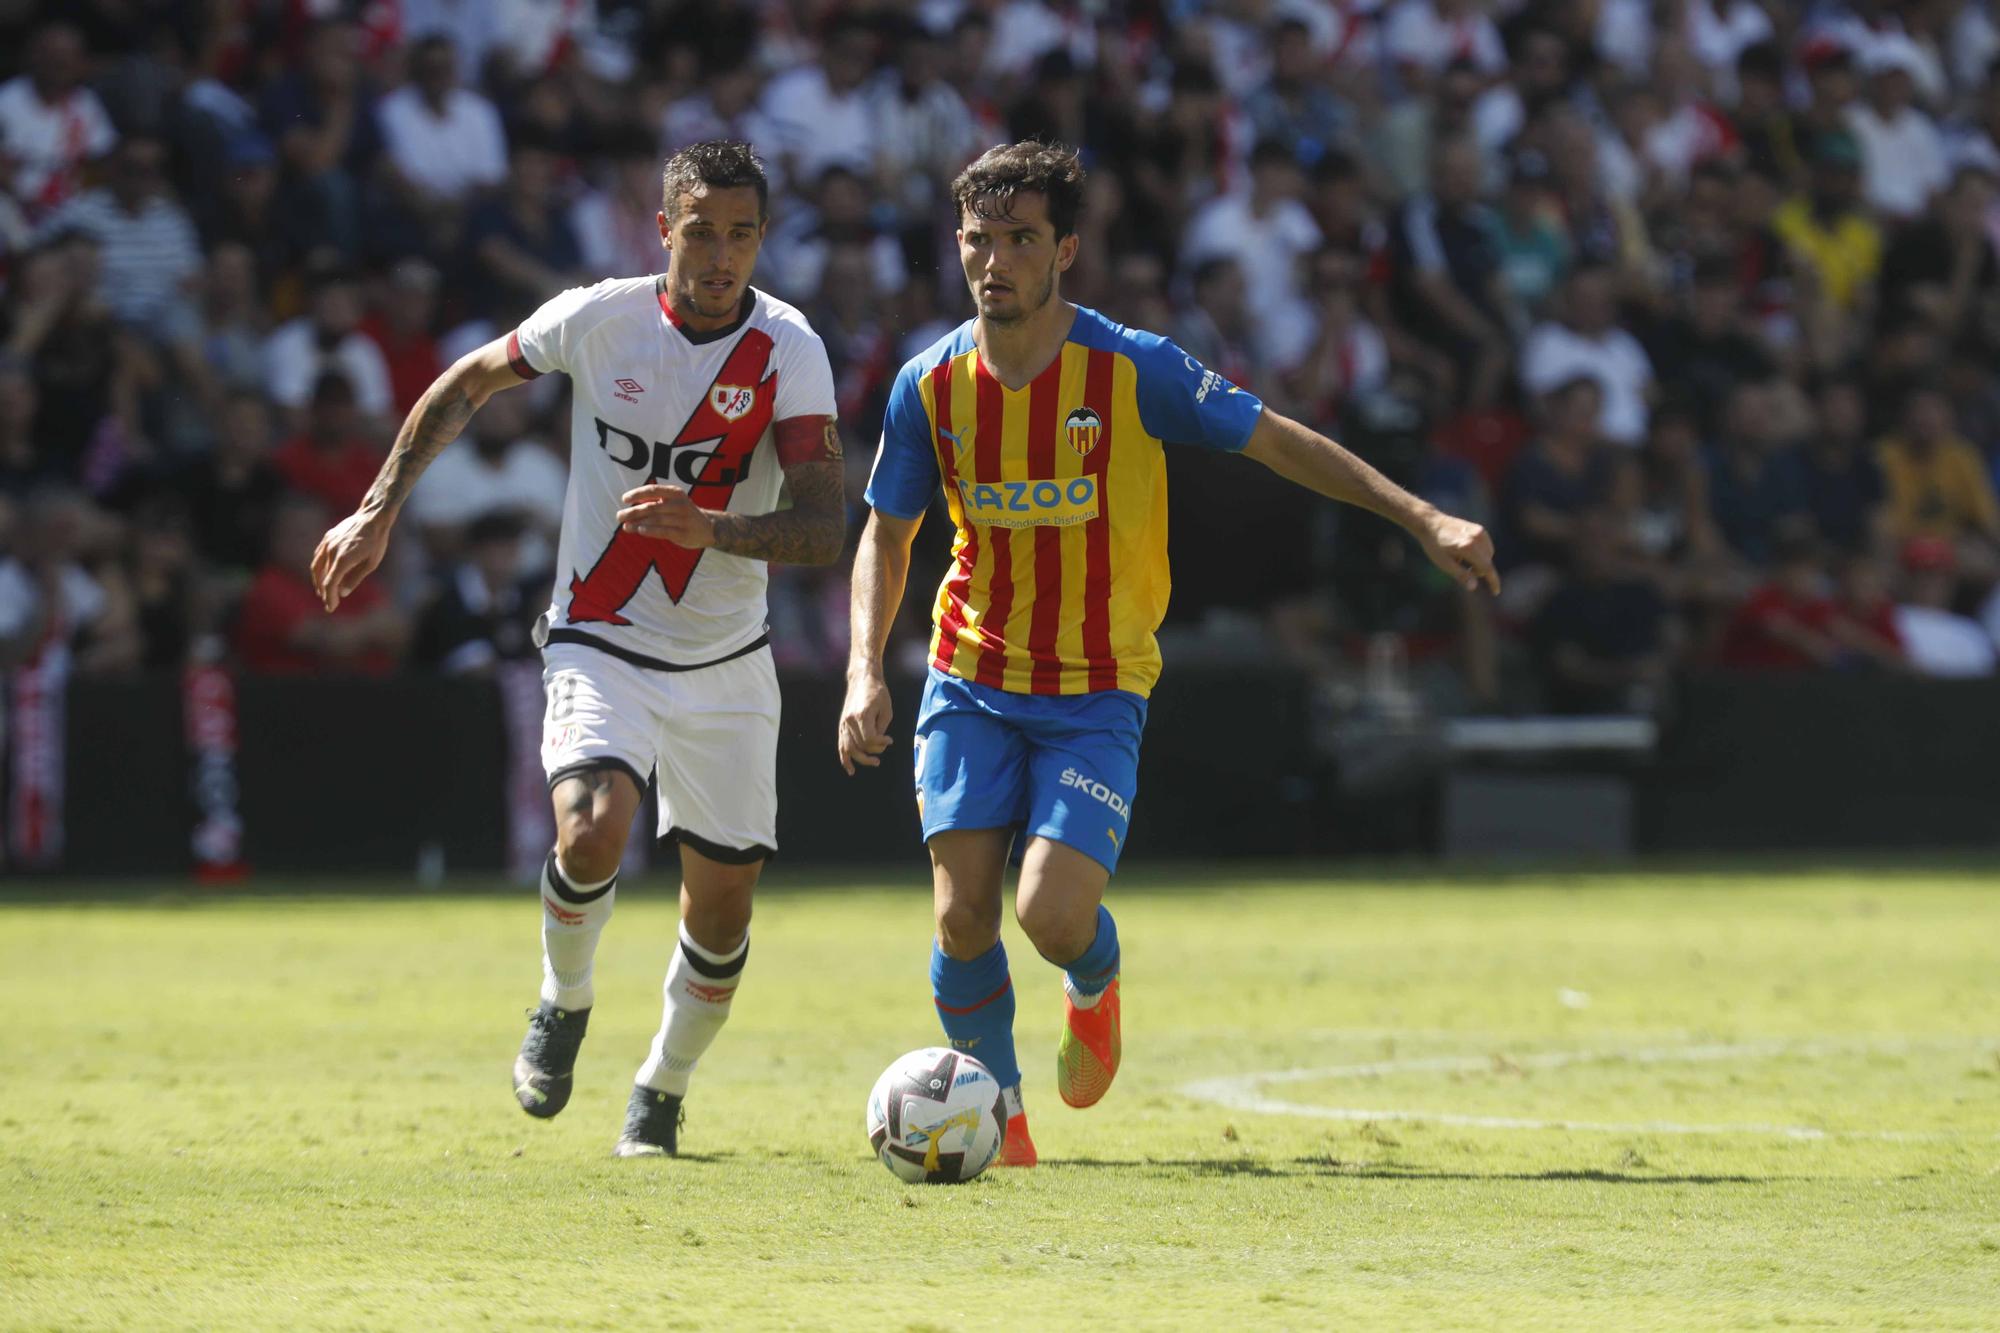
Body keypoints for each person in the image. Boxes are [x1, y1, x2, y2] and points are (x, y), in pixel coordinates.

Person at [838, 142, 1496, 1166]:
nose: (994, 261)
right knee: (963, 914)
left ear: (1064, 249)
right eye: (978, 240)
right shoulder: (928, 383)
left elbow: (1276, 437)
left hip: (1097, 686)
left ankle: (1092, 981)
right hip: (969, 676)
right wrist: (861, 671)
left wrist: (1419, 516)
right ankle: (999, 1127)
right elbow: (887, 531)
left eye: (1018, 240)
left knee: (1048, 914)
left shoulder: (1130, 367)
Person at [309, 141, 847, 1157]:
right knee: (591, 827)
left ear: (761, 240)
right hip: (597, 638)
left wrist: (716, 529)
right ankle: (562, 1002)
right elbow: (469, 381)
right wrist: (378, 509)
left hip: (729, 661)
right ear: (662, 231)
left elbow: (824, 529)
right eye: (700, 232)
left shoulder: (790, 349)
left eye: (740, 235)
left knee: (722, 910)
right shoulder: (597, 318)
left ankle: (662, 1084)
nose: (720, 255)